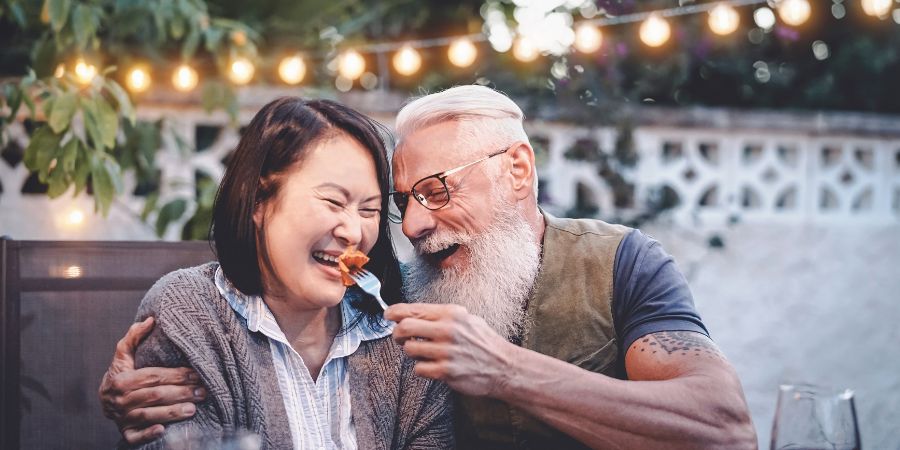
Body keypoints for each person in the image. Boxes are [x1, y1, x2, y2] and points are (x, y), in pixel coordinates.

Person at [100, 86, 756, 449]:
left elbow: (724, 430)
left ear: (518, 170)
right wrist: (133, 407)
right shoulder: (398, 303)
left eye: (437, 190)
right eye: (404, 202)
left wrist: (505, 370)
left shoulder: (622, 263)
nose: (410, 226)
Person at [103, 96, 453, 449]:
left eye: (369, 209)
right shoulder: (190, 313)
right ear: (258, 200)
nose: (354, 232)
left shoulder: (403, 331)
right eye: (333, 201)